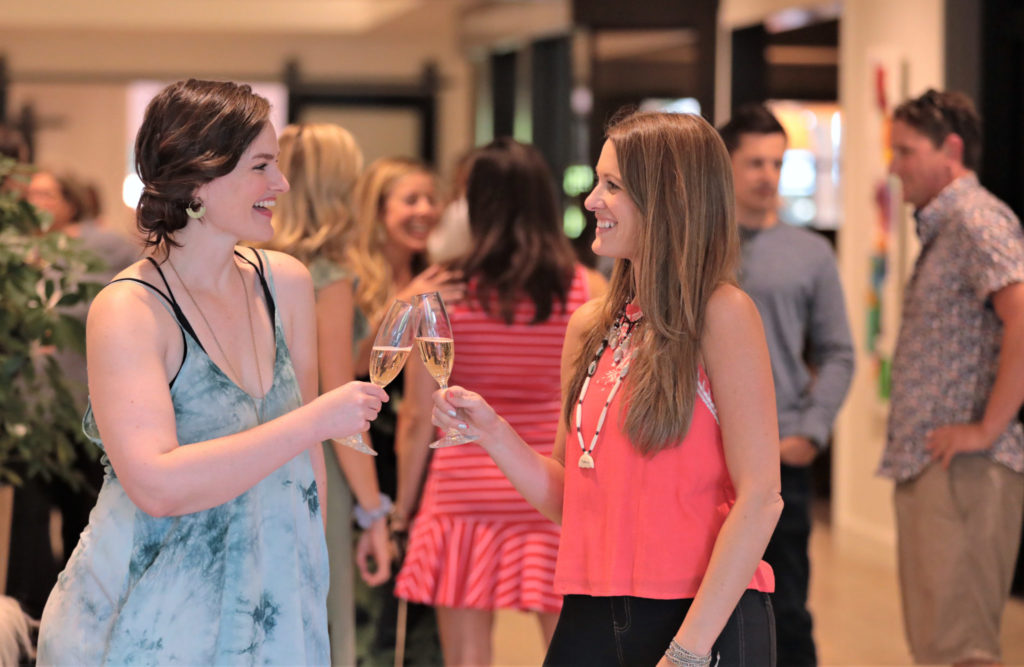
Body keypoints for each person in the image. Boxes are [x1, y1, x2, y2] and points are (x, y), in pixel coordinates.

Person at [35, 79, 388, 665]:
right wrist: (315, 421)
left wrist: (308, 595)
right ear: (199, 179)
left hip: (271, 608)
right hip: (149, 618)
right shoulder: (130, 308)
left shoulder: (286, 283)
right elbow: (157, 486)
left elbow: (306, 475)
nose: (281, 184)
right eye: (261, 166)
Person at [431, 110, 783, 666]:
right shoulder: (590, 325)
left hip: (701, 617)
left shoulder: (722, 314)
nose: (592, 200)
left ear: (670, 198)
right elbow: (568, 498)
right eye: (598, 181)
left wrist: (687, 652)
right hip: (591, 610)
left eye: (613, 185)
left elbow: (761, 497)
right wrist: (492, 432)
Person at [393, 138, 606, 665]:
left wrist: (401, 509)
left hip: (462, 492)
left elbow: (417, 416)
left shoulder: (442, 291)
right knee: (572, 652)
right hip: (550, 487)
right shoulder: (588, 290)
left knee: (467, 659)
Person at [879, 89, 1024, 666]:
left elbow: (1023, 317)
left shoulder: (976, 218)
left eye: (907, 151)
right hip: (938, 469)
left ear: (952, 150)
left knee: (960, 651)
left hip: (965, 470)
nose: (895, 167)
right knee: (939, 645)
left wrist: (985, 429)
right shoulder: (949, 226)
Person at [717, 105, 854, 666]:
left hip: (779, 457)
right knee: (697, 605)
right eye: (755, 162)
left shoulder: (810, 253)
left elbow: (839, 352)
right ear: (725, 164)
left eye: (777, 163)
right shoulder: (693, 246)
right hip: (702, 453)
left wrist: (811, 431)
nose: (768, 175)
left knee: (785, 608)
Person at [264, 122, 394, 666]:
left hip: (254, 453)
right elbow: (341, 404)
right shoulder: (326, 276)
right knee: (318, 620)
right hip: (314, 462)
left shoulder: (249, 261)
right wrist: (373, 511)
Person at [349, 156, 460, 665]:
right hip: (368, 452)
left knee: (424, 615)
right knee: (372, 603)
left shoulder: (438, 274)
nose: (424, 211)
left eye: (431, 199)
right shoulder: (353, 277)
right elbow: (349, 365)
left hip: (423, 455)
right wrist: (403, 303)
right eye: (410, 200)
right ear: (378, 210)